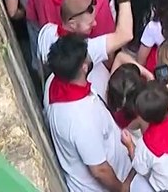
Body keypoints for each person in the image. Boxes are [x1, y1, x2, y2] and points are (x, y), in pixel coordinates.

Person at [44, 35, 134, 191]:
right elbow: (100, 170)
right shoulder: (81, 119)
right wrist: (122, 189)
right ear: (84, 67)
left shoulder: (55, 81)